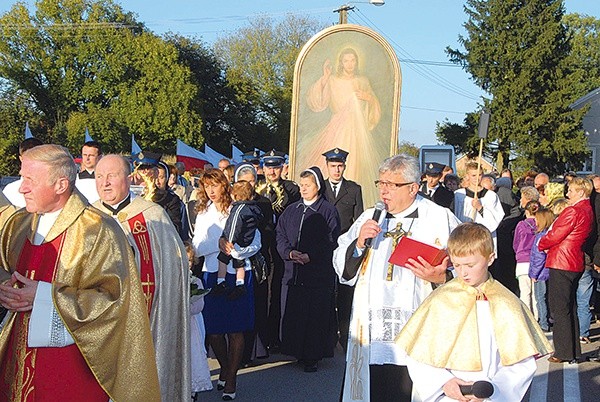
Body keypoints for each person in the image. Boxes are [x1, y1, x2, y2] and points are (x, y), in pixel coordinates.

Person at [0, 144, 160, 401]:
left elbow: (116, 301)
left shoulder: (98, 230)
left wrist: (44, 296)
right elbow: (3, 269)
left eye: (29, 180)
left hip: (70, 370)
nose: (21, 188)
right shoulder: (19, 224)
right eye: (21, 178)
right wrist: (6, 287)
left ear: (61, 185)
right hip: (16, 362)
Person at [333, 154, 461, 401]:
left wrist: (442, 276)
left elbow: (468, 262)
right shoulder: (370, 217)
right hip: (372, 327)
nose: (384, 191)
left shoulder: (439, 217)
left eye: (392, 184)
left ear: (413, 188)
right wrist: (359, 243)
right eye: (380, 183)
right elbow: (341, 261)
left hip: (416, 321)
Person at [397, 223, 552, 402]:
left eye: (470, 265)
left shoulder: (507, 303)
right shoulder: (440, 300)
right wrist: (444, 382)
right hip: (447, 396)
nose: (463, 272)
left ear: (490, 258)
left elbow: (521, 363)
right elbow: (418, 355)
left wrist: (492, 391)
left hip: (489, 393)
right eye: (457, 265)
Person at [93, 154, 191, 401]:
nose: (104, 183)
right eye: (99, 176)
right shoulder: (87, 217)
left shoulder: (153, 216)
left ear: (129, 178)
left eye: (112, 176)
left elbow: (172, 270)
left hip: (145, 318)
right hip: (97, 321)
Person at [192, 168, 261, 400]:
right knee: (213, 331)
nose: (211, 190)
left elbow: (256, 240)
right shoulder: (203, 213)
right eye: (206, 186)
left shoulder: (239, 206)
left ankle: (231, 378)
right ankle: (226, 367)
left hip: (238, 273)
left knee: (236, 329)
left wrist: (238, 250)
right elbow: (198, 247)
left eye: (215, 185)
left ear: (225, 185)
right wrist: (219, 243)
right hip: (212, 272)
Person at [276, 166, 340, 372]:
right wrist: (288, 252)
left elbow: (331, 239)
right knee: (294, 313)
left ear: (318, 187)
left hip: (317, 274)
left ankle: (312, 356)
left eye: (307, 185)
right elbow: (280, 234)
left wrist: (310, 255)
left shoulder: (328, 211)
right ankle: (296, 350)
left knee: (314, 316)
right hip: (293, 271)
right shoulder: (292, 209)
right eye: (301, 185)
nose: (303, 189)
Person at [302, 47, 382, 206]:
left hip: (357, 128)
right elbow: (317, 103)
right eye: (346, 60)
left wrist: (368, 98)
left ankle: (350, 195)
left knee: (357, 160)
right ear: (341, 63)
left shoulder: (362, 81)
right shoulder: (332, 80)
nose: (350, 64)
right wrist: (324, 78)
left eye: (353, 60)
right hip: (337, 127)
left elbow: (373, 107)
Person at [539, 177, 594, 363]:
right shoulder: (588, 209)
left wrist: (541, 243)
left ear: (580, 192)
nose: (567, 194)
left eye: (570, 190)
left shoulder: (574, 211)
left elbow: (556, 234)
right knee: (570, 307)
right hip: (574, 260)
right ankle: (573, 350)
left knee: (559, 309)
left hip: (562, 261)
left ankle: (563, 352)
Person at [255, 150, 300, 352]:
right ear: (263, 168)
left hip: (282, 246)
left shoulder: (291, 189)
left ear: (283, 168)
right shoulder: (257, 189)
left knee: (278, 291)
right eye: (269, 167)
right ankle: (263, 336)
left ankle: (276, 336)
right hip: (261, 245)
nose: (272, 171)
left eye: (276, 167)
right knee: (263, 292)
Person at [322, 148, 364, 353]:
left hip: (345, 248)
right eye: (333, 166)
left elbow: (359, 221)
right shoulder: (320, 188)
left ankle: (345, 336)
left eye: (340, 166)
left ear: (344, 167)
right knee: (326, 293)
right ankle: (327, 337)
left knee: (345, 294)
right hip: (324, 247)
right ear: (327, 167)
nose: (336, 170)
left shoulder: (354, 189)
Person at [233, 163, 275, 363]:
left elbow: (268, 231)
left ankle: (251, 350)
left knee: (255, 306)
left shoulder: (264, 203)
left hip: (256, 259)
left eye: (252, 181)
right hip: (234, 259)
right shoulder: (233, 203)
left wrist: (251, 239)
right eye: (245, 182)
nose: (250, 186)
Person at [216, 181, 263, 299]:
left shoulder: (238, 210)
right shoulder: (254, 208)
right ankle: (240, 284)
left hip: (237, 242)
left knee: (223, 258)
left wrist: (229, 240)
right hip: (247, 241)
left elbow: (234, 226)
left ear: (235, 195)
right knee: (239, 263)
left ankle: (220, 281)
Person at [453, 161, 505, 251]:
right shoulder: (459, 195)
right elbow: (455, 217)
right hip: (465, 237)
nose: (477, 178)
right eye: (473, 175)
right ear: (467, 176)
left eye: (480, 175)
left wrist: (480, 208)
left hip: (484, 238)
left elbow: (496, 219)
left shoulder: (491, 196)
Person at [185, 242, 213, 399]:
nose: (187, 263)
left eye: (189, 260)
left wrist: (185, 306)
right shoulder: (171, 280)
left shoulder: (195, 282)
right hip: (178, 324)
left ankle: (193, 389)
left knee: (193, 354)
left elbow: (198, 306)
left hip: (193, 324)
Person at [529, 208, 555, 332]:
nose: (535, 222)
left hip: (541, 274)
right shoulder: (549, 235)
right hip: (548, 272)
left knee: (540, 298)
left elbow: (538, 258)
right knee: (547, 297)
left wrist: (534, 274)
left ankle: (543, 323)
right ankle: (549, 319)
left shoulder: (541, 237)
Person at [513, 200, 540, 313]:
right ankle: (538, 317)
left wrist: (517, 253)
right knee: (536, 293)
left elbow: (516, 243)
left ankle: (526, 316)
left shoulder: (521, 225)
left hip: (523, 260)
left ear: (527, 212)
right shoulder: (541, 224)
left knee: (525, 291)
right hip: (538, 260)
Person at [2, 137, 43, 207]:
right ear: (21, 158)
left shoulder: (52, 187)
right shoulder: (10, 191)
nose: (32, 162)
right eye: (28, 158)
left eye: (36, 158)